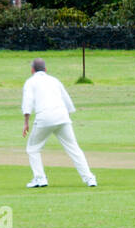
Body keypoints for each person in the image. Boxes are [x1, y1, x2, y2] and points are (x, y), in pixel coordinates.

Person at [21, 58, 96, 188]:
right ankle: (90, 179)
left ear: (32, 70)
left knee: (33, 149)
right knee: (74, 148)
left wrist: (26, 123)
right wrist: (66, 115)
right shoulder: (54, 80)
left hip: (44, 117)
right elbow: (67, 100)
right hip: (62, 116)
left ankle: (40, 179)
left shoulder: (30, 82)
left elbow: (27, 103)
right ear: (45, 69)